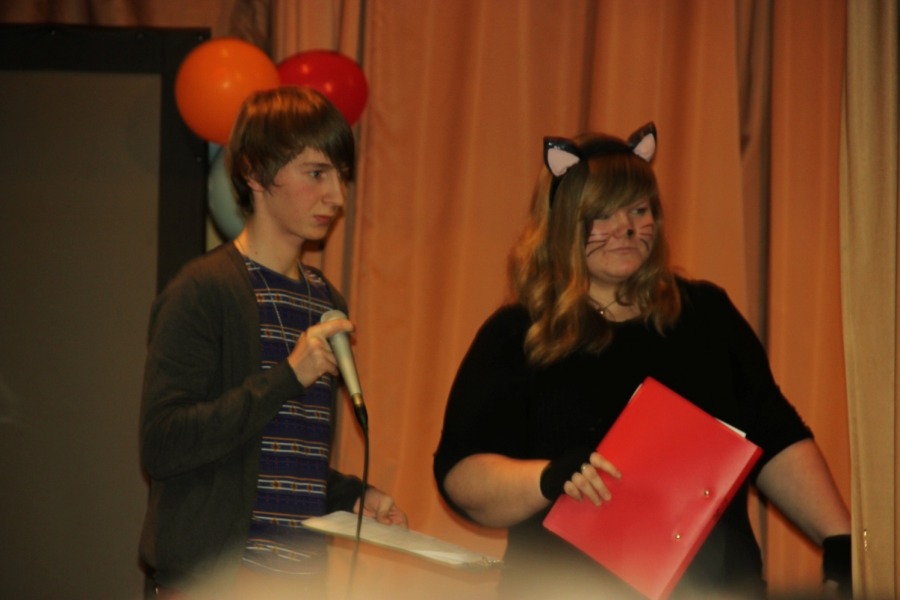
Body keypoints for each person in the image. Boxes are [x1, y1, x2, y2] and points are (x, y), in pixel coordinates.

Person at [433, 123, 852, 599]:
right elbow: (459, 475)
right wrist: (548, 477)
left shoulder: (706, 315)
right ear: (562, 223)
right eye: (602, 215)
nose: (627, 229)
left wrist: (840, 539)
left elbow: (774, 433)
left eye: (638, 209)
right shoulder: (518, 333)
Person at [139, 85, 407, 600]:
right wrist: (286, 378)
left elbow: (276, 458)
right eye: (316, 173)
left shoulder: (326, 301)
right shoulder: (204, 290)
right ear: (255, 172)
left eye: (341, 175)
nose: (337, 196)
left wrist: (352, 496)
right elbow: (164, 444)